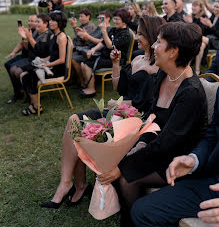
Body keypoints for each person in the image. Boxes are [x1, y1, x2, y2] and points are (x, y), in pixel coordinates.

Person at [40, 15, 165, 210]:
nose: (137, 37)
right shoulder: (138, 56)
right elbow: (119, 87)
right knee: (74, 120)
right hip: (119, 110)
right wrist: (116, 64)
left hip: (133, 120)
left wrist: (122, 105)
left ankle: (78, 186)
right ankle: (69, 183)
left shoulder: (159, 66)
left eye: (140, 33)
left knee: (80, 127)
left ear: (152, 35)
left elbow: (149, 104)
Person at [98, 22, 208, 227]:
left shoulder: (190, 93)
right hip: (158, 149)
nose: (153, 46)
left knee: (127, 178)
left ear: (173, 51)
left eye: (159, 41)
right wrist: (140, 142)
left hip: (178, 161)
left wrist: (123, 167)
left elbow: (167, 143)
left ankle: (132, 221)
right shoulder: (164, 75)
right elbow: (151, 118)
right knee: (114, 153)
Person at [131, 88, 219, 227]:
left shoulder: (191, 92)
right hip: (210, 176)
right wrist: (193, 159)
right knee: (143, 210)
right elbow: (213, 134)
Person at [21, 11, 67, 115]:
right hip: (51, 64)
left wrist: (46, 65)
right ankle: (34, 105)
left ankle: (37, 107)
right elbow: (52, 55)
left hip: (57, 69)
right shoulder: (54, 35)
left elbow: (62, 59)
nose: (50, 22)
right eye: (50, 20)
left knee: (31, 75)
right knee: (25, 75)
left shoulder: (61, 37)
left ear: (60, 22)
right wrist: (43, 61)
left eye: (53, 20)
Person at [80, 8, 131, 98]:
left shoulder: (125, 34)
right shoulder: (114, 30)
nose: (114, 21)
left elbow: (109, 46)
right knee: (84, 62)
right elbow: (103, 42)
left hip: (116, 60)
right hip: (106, 56)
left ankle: (91, 89)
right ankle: (88, 85)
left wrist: (103, 31)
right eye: (114, 19)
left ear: (124, 20)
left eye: (117, 19)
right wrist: (93, 49)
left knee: (87, 64)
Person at [7, 14, 51, 104]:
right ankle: (19, 93)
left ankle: (28, 95)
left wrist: (28, 37)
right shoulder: (35, 32)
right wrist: (25, 37)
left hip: (37, 60)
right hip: (32, 58)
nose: (35, 24)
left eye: (37, 22)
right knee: (11, 68)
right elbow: (27, 47)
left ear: (46, 23)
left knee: (17, 71)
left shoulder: (47, 35)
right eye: (35, 21)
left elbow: (40, 52)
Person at [71, 10, 111, 88]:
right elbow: (90, 39)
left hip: (97, 53)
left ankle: (83, 82)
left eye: (101, 18)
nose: (99, 20)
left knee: (74, 59)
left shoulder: (109, 29)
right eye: (98, 18)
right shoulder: (99, 28)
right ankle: (81, 81)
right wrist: (84, 34)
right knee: (72, 56)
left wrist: (87, 36)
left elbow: (102, 42)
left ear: (108, 18)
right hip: (89, 49)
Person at [5, 15, 37, 104]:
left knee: (13, 68)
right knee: (7, 64)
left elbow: (27, 47)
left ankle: (21, 92)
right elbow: (21, 43)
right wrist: (14, 52)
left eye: (33, 21)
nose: (30, 22)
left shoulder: (36, 32)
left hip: (29, 57)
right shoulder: (28, 30)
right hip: (24, 55)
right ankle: (18, 91)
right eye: (29, 20)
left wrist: (26, 37)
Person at [183, 0, 208, 75]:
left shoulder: (203, 17)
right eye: (192, 6)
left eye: (195, 6)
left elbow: (200, 32)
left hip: (204, 40)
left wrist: (190, 23)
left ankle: (197, 70)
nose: (193, 8)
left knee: (201, 45)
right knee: (196, 44)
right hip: (194, 40)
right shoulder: (191, 16)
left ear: (200, 8)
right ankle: (187, 66)